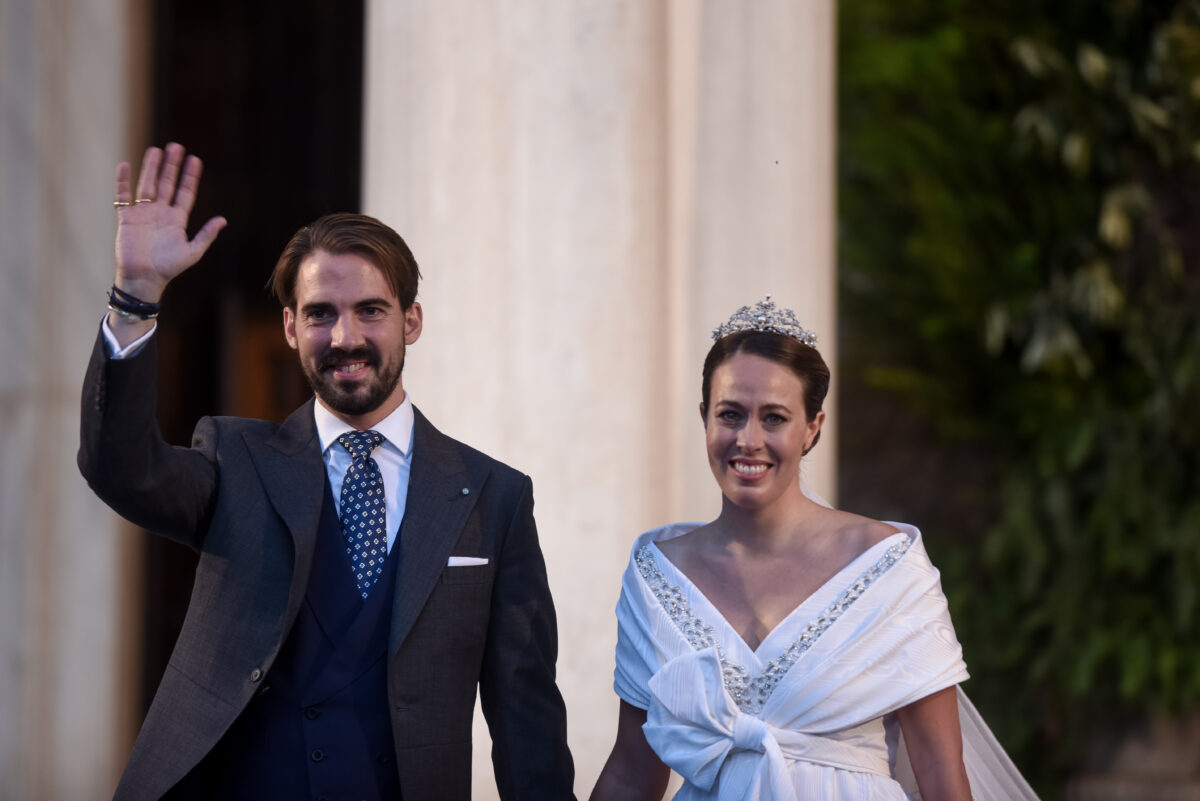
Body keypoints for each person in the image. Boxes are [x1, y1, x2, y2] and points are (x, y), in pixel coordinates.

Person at [79, 143, 576, 801]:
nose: (346, 338)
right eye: (320, 313)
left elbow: (525, 715)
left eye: (370, 310)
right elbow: (121, 469)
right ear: (289, 327)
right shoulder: (236, 460)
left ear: (411, 321)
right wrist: (135, 297)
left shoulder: (494, 496)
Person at [590, 297, 1038, 800]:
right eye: (730, 414)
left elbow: (939, 771)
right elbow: (632, 771)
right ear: (704, 418)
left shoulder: (889, 565)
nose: (748, 439)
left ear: (812, 428)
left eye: (774, 418)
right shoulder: (656, 575)